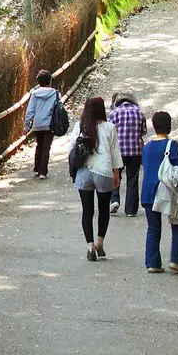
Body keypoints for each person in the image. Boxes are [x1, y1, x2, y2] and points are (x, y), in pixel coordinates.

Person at [141, 111, 178, 273]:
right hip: (167, 190)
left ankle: (153, 263)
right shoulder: (172, 145)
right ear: (169, 126)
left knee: (153, 227)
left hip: (148, 191)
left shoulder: (147, 147)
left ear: (154, 126)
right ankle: (175, 260)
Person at [70, 95, 119, 260]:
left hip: (84, 172)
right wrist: (116, 174)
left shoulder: (79, 126)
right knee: (104, 209)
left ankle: (90, 247)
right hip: (104, 172)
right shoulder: (109, 127)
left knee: (87, 211)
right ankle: (100, 243)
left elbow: (71, 148)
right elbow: (115, 154)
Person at [23, 70, 67, 178]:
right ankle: (43, 172)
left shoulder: (34, 94)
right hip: (49, 124)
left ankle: (36, 169)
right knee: (46, 147)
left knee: (39, 146)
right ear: (50, 81)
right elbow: (58, 108)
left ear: (39, 82)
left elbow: (30, 110)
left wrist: (27, 125)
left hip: (37, 123)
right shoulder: (56, 93)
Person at [111, 92, 146, 216]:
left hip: (117, 150)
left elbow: (110, 131)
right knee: (132, 178)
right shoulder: (139, 112)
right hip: (135, 151)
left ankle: (114, 200)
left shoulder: (114, 113)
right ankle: (131, 210)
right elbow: (143, 131)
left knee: (115, 175)